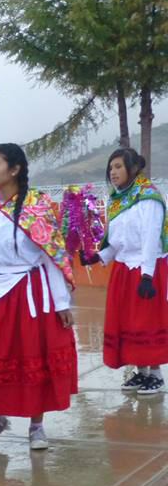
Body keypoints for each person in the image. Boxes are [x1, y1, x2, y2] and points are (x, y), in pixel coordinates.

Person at [0, 143, 77, 451]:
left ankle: (36, 425)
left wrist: (61, 303)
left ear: (15, 169)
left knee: (32, 356)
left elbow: (50, 256)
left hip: (29, 291)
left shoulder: (37, 206)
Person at [82, 148, 167, 395]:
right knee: (129, 323)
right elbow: (117, 241)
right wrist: (98, 257)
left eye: (118, 166)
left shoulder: (149, 197)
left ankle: (156, 374)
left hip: (146, 268)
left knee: (146, 321)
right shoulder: (118, 200)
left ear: (133, 168)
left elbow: (150, 238)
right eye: (111, 168)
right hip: (123, 269)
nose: (113, 172)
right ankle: (141, 372)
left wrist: (147, 275)